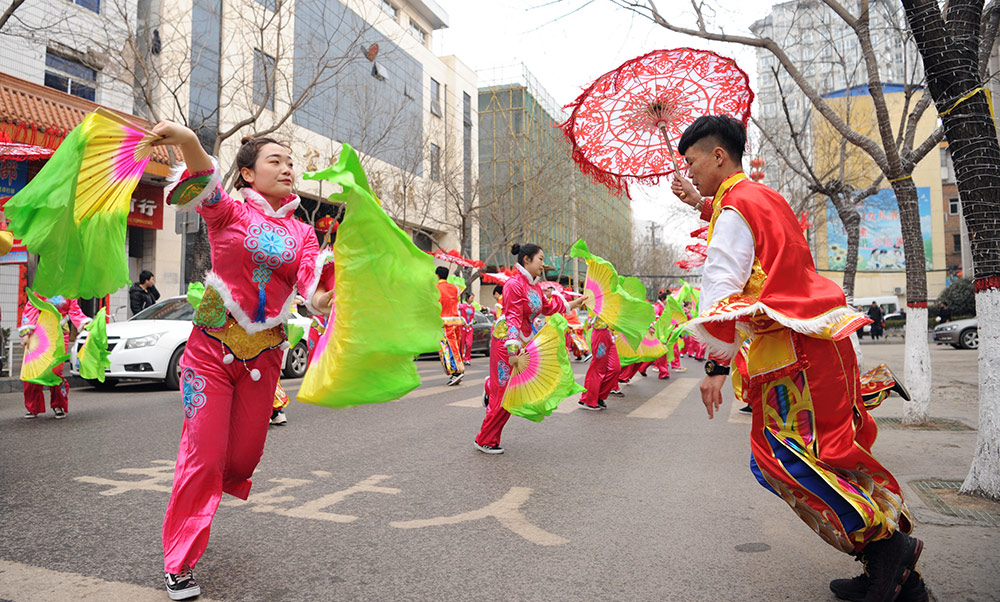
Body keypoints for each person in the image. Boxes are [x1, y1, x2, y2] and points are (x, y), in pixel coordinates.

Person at [671, 115, 925, 602]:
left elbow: (719, 290)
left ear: (718, 156)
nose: (689, 171)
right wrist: (703, 204)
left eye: (692, 161)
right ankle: (898, 579)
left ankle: (886, 547)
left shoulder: (734, 209)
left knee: (777, 459)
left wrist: (715, 367)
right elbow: (755, 241)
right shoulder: (761, 197)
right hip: (821, 344)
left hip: (793, 356)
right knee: (830, 456)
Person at [150, 123, 334, 601]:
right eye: (276, 160)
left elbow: (310, 285)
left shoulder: (303, 232)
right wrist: (188, 140)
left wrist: (325, 298)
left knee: (243, 458)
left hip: (265, 355)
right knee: (205, 457)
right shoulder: (227, 211)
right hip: (210, 351)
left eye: (291, 162)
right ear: (248, 174)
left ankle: (205, 490)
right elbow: (205, 178)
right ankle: (179, 561)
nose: (288, 168)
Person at [475, 243, 584, 453]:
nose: (543, 264)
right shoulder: (513, 285)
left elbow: (548, 307)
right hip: (506, 342)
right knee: (506, 395)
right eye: (540, 259)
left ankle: (491, 386)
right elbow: (513, 317)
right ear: (527, 260)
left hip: (523, 340)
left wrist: (572, 304)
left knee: (512, 390)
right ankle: (484, 440)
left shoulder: (535, 286)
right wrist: (512, 351)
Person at [19, 293, 90, 419]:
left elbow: (74, 310)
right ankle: (33, 407)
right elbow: (31, 309)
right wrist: (26, 334)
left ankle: (58, 404)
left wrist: (85, 324)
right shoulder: (41, 289)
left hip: (60, 334)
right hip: (39, 333)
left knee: (56, 370)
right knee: (34, 370)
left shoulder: (69, 291)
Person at [436, 266, 465, 386]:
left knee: (446, 348)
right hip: (455, 320)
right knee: (455, 345)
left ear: (437, 275)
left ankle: (455, 371)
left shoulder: (435, 288)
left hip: (443, 322)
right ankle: (458, 369)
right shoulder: (454, 288)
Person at [458, 291, 476, 365]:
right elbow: (456, 309)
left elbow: (472, 316)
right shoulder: (462, 306)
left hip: (470, 327)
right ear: (467, 298)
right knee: (461, 344)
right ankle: (460, 358)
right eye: (471, 298)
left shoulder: (473, 307)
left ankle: (467, 358)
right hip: (463, 327)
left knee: (469, 344)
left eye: (473, 298)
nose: (472, 300)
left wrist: (471, 322)